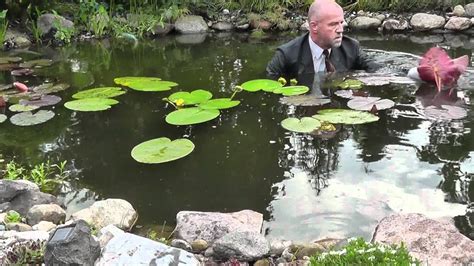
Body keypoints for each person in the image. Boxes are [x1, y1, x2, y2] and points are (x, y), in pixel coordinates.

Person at [266, 0, 379, 80]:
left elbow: (376, 70)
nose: (340, 30)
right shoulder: (286, 55)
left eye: (341, 23)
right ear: (314, 26)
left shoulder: (351, 47)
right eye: (333, 24)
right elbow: (268, 81)